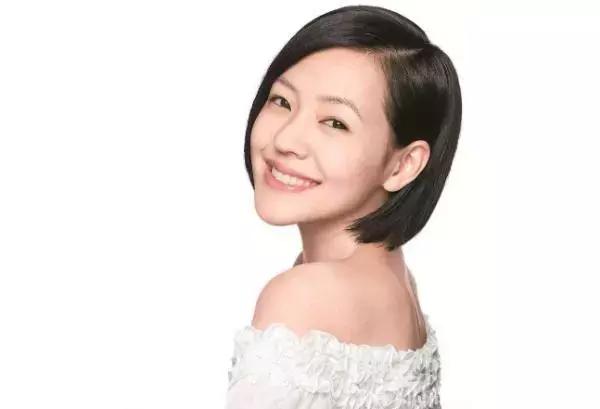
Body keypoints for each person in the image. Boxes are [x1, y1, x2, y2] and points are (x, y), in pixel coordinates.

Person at [227, 4, 462, 408]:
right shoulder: (396, 280)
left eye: (335, 122)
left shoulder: (303, 296)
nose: (285, 140)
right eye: (282, 101)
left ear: (403, 165)